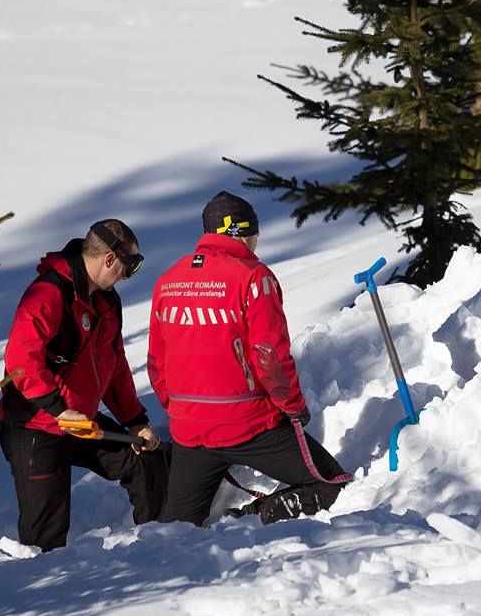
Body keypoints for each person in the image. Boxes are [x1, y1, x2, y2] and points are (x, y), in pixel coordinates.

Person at [148, 191, 350, 526]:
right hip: (251, 425)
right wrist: (293, 406)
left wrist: (180, 409)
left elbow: (157, 361)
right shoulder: (253, 277)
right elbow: (269, 355)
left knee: (178, 526)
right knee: (332, 484)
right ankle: (254, 516)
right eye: (255, 234)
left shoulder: (168, 281)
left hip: (190, 429)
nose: (256, 243)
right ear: (242, 233)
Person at [0, 219, 168, 551]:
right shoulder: (48, 293)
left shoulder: (107, 302)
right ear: (109, 259)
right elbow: (21, 360)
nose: (125, 276)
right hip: (35, 426)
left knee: (144, 459)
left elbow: (114, 366)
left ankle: (158, 545)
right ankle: (46, 590)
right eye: (128, 266)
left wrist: (135, 421)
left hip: (79, 422)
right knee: (46, 531)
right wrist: (59, 409)